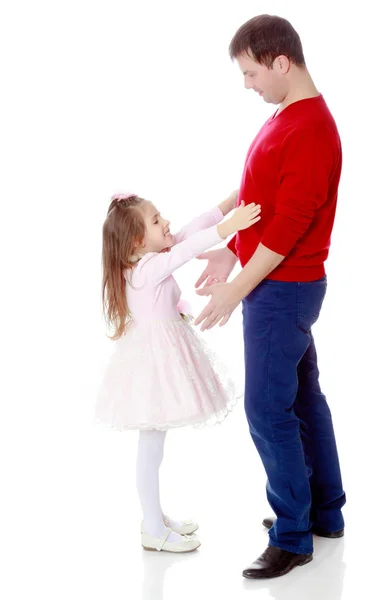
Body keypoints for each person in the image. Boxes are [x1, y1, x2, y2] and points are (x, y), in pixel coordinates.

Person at [195, 14, 346, 578]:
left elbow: (284, 231)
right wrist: (224, 246)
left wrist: (235, 289)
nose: (247, 84)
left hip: (282, 290)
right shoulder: (288, 115)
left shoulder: (311, 129)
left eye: (251, 71)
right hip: (279, 285)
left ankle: (292, 536)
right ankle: (324, 513)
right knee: (303, 399)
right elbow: (256, 193)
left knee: (266, 408)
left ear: (282, 62)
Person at [95, 190, 261, 553]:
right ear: (138, 241)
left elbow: (188, 232)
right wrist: (227, 230)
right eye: (156, 220)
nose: (166, 222)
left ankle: (155, 517)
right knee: (151, 446)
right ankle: (152, 528)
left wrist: (230, 203)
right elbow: (187, 249)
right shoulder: (146, 269)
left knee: (155, 445)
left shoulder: (150, 257)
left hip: (158, 359)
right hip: (153, 365)